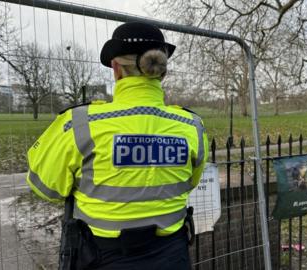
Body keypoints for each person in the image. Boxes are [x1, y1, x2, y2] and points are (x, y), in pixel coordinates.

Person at [26, 21, 208, 269]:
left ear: (116, 68)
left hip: (100, 257)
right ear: (161, 71)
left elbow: (45, 185)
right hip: (172, 255)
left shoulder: (78, 123)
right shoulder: (192, 126)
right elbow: (191, 181)